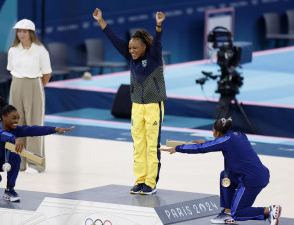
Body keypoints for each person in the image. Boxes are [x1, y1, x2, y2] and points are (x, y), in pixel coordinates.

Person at [93, 8, 167, 195]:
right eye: (130, 48)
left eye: (135, 48)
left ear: (144, 47)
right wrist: (101, 21)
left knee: (151, 145)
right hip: (136, 106)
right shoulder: (130, 57)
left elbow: (157, 42)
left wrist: (158, 25)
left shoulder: (154, 57)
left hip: (153, 106)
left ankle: (151, 182)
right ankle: (140, 179)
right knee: (138, 145)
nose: (131, 51)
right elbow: (114, 39)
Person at [159, 118, 281, 225]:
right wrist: (208, 143)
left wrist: (177, 148)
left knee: (237, 213)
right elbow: (221, 144)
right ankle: (227, 212)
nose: (212, 133)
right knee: (225, 176)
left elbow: (200, 149)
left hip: (252, 179)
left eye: (213, 131)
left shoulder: (225, 141)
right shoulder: (239, 134)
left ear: (217, 132)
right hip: (257, 174)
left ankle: (269, 210)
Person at [0, 97, 74, 202]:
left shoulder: (15, 129)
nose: (17, 121)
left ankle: (9, 190)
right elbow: (0, 134)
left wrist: (54, 129)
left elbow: (33, 130)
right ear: (4, 117)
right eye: (14, 118)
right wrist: (14, 139)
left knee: (15, 158)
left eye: (18, 118)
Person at [7, 19, 52, 173]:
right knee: (15, 124)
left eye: (24, 31)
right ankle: (18, 162)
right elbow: (11, 69)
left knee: (34, 124)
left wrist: (37, 87)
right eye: (19, 31)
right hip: (16, 85)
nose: (21, 34)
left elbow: (47, 73)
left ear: (31, 33)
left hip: (34, 84)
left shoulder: (41, 51)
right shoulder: (13, 50)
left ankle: (35, 164)